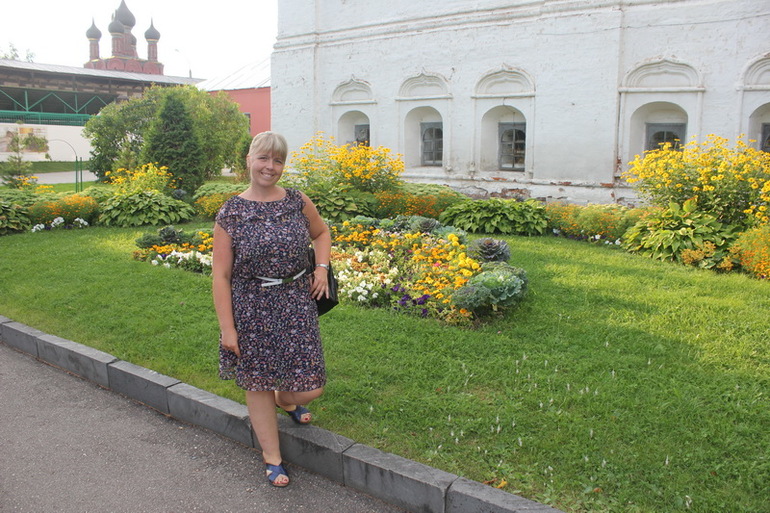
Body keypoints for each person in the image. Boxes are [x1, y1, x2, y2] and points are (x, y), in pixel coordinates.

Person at [212, 131, 332, 488]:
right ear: (249, 160)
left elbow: (321, 233)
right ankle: (272, 457)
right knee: (257, 382)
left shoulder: (296, 200)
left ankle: (285, 399)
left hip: (296, 302)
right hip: (251, 307)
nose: (270, 166)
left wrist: (321, 269)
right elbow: (221, 276)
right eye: (264, 158)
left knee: (310, 387)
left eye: (278, 160)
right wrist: (228, 329)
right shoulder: (232, 212)